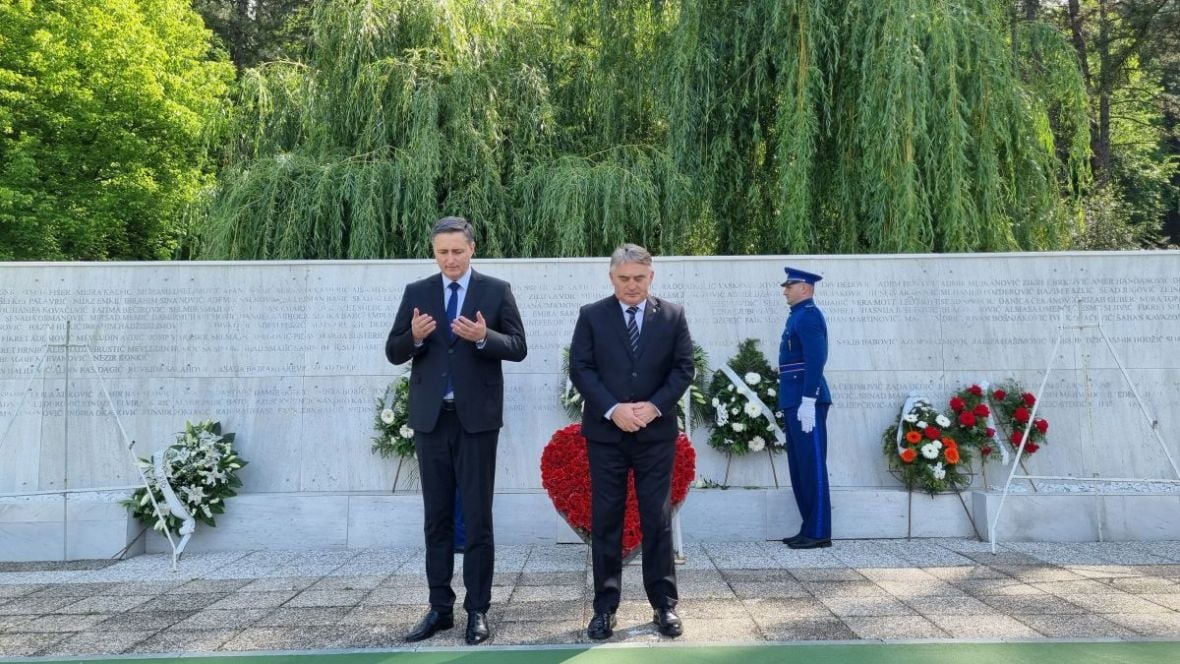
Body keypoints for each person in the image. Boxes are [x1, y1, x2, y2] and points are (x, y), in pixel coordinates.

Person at [385, 216, 527, 645]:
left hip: (477, 422)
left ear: (472, 249)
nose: (450, 259)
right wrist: (412, 335)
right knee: (437, 517)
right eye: (442, 252)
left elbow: (518, 347)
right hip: (431, 421)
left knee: (479, 518)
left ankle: (477, 610)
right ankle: (439, 608)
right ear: (434, 252)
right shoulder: (418, 293)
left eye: (457, 251)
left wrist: (486, 337)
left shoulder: (495, 291)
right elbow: (394, 351)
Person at [569, 243, 695, 640]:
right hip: (606, 435)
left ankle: (664, 605)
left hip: (655, 435)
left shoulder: (672, 316)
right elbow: (581, 368)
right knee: (607, 520)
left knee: (656, 519)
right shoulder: (592, 316)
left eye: (639, 278)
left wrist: (653, 407)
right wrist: (612, 409)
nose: (631, 285)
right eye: (624, 278)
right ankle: (605, 608)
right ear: (612, 277)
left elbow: (683, 368)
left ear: (651, 277)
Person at [777, 267, 833, 549]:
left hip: (805, 400)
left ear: (805, 288)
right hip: (795, 400)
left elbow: (816, 359)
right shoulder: (797, 317)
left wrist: (809, 399)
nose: (785, 289)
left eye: (790, 285)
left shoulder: (809, 316)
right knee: (800, 467)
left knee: (812, 464)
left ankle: (819, 530)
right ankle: (809, 526)